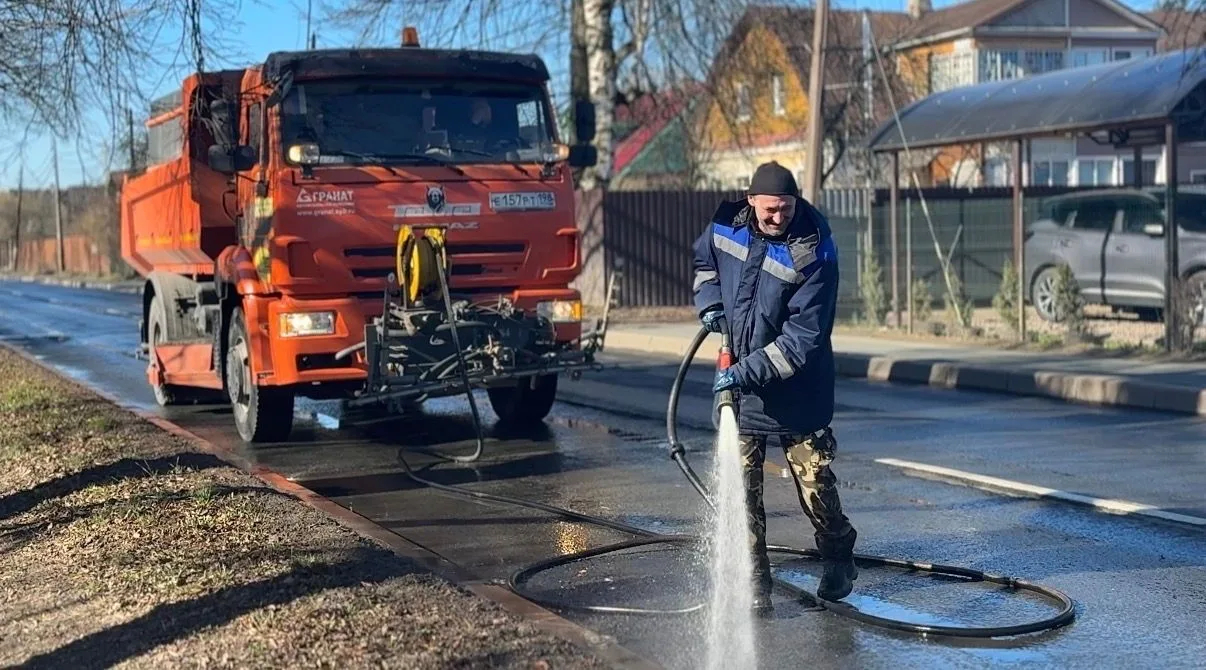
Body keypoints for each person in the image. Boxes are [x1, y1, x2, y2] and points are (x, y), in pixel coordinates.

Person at [691, 161, 858, 615]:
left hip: (798, 392)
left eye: (786, 208)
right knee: (742, 494)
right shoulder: (726, 225)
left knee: (815, 487)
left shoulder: (814, 250)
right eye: (770, 209)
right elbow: (705, 265)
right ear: (751, 201)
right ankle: (755, 584)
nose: (778, 217)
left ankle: (838, 555)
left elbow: (802, 340)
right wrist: (710, 304)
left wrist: (742, 373)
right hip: (744, 394)